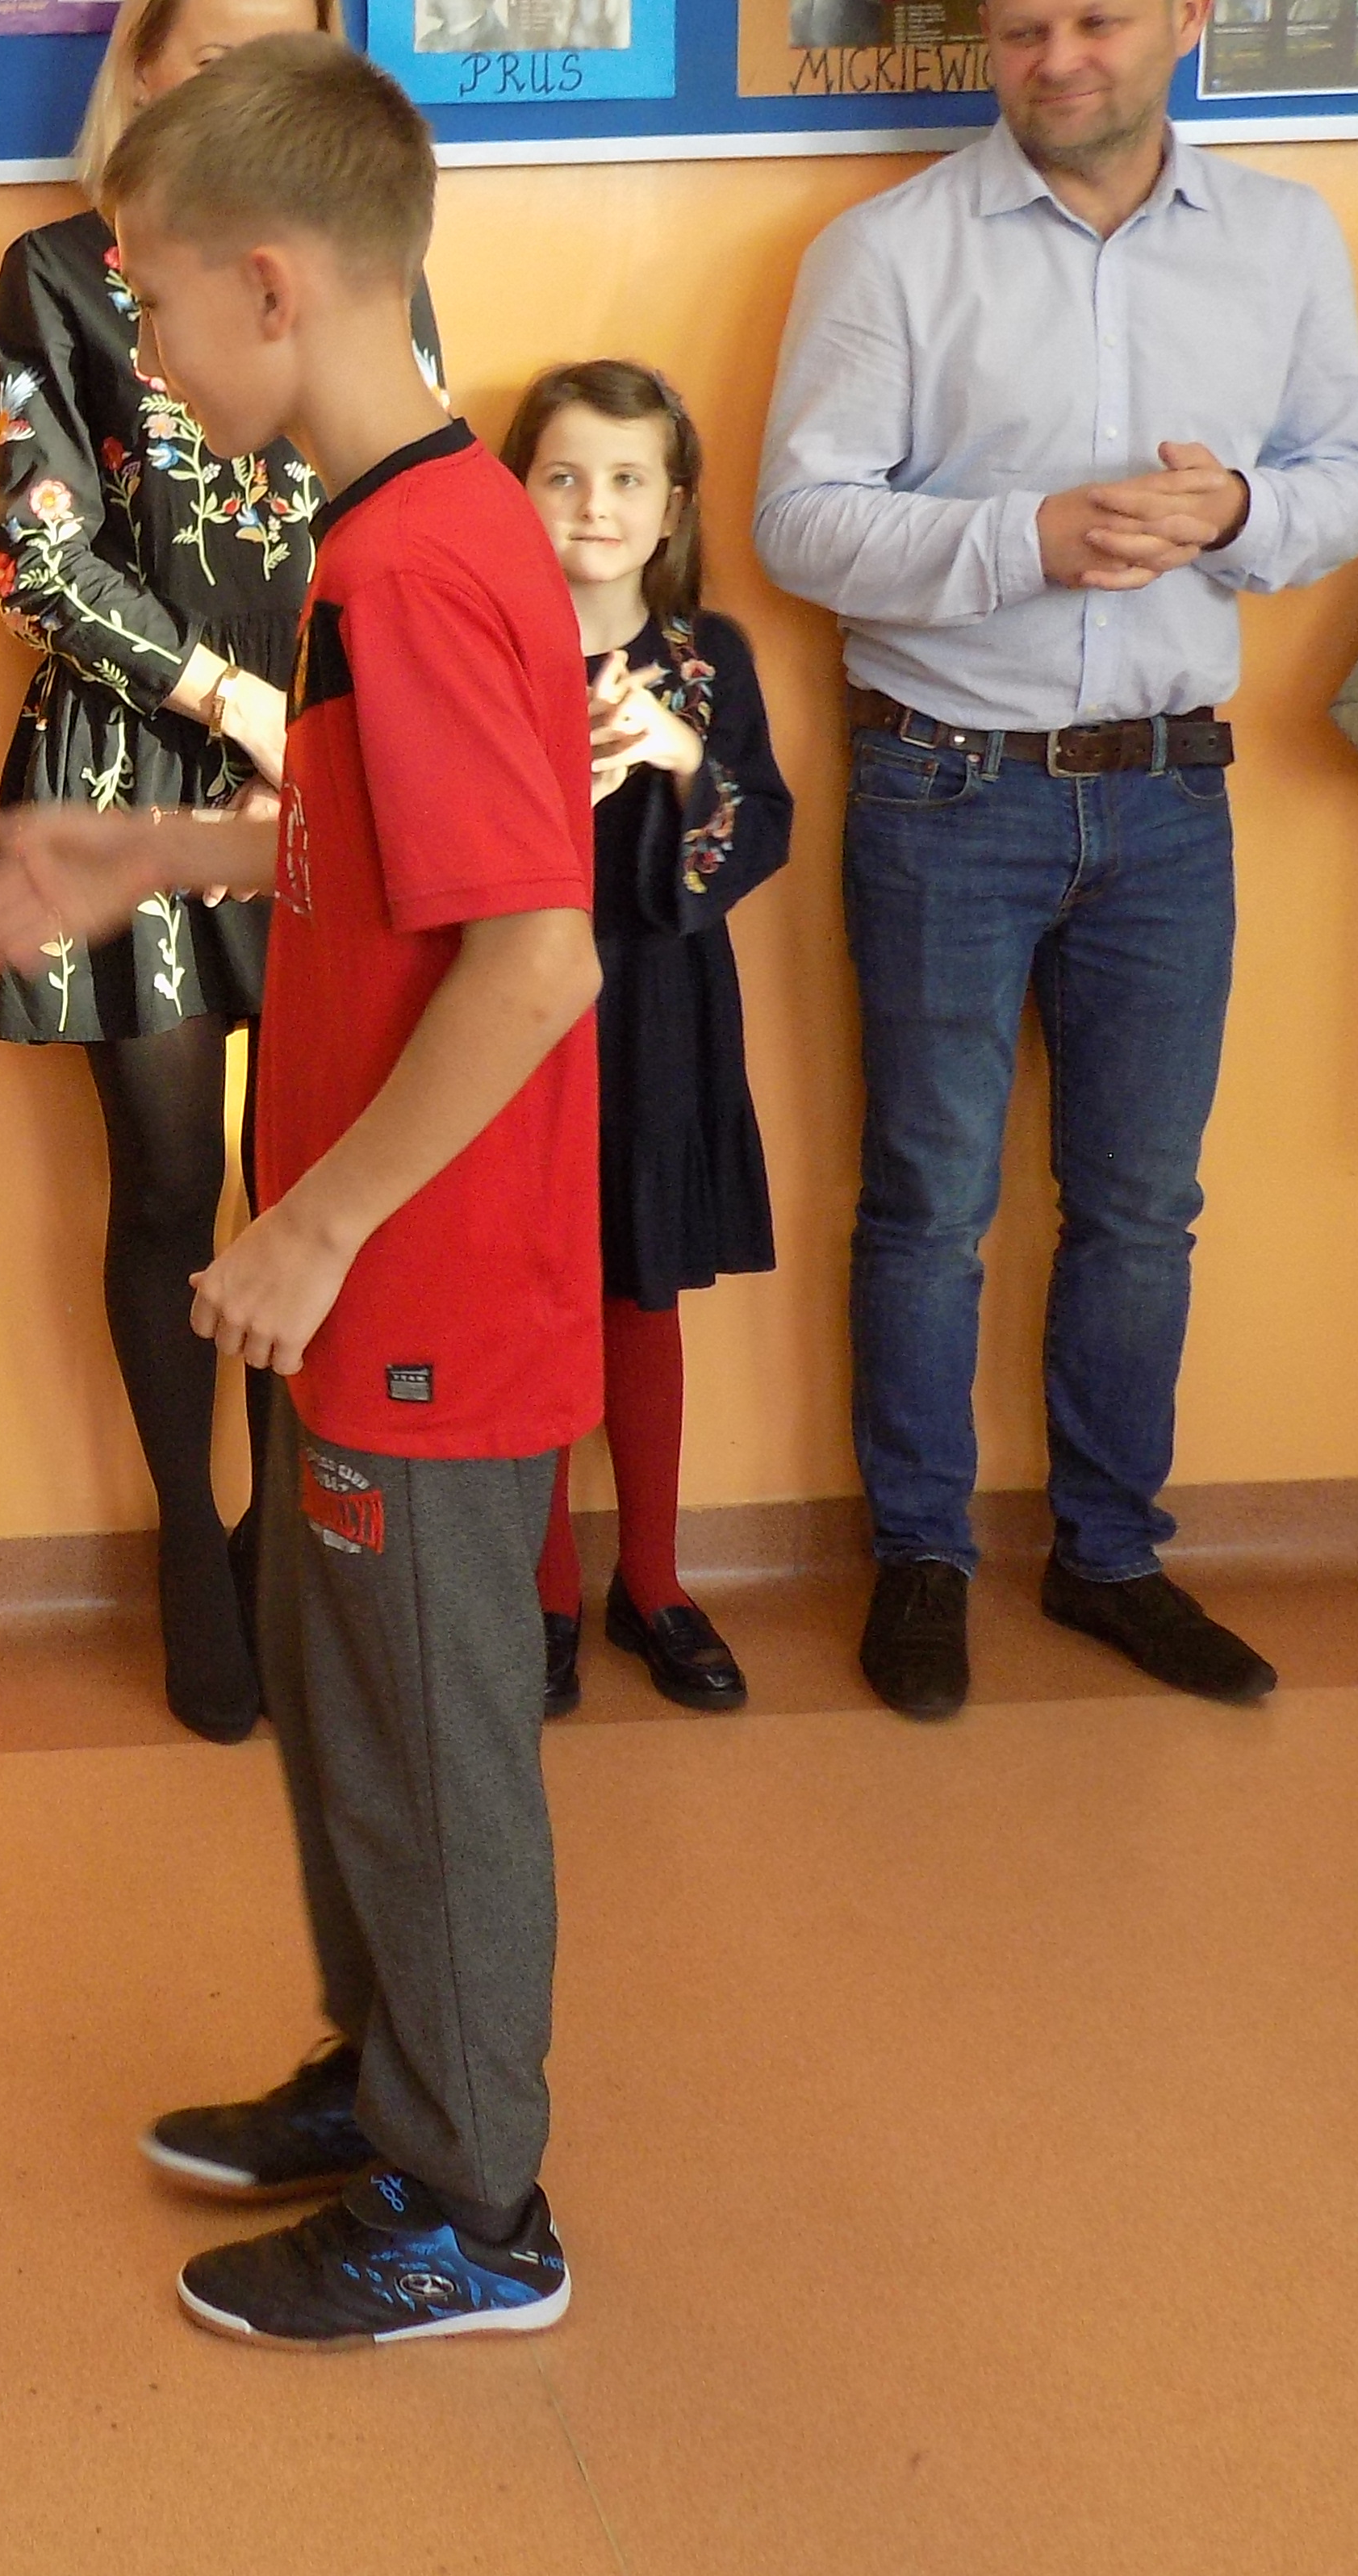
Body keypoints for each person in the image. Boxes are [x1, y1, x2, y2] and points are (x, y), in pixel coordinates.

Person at [0, 37, 600, 2349]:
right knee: (349, 1714)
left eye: (146, 306)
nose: (134, 353)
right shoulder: (390, 528)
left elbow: (534, 953)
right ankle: (391, 2074)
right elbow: (395, 849)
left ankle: (475, 2209)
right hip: (368, 1279)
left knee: (425, 1745)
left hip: (424, 1280)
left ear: (270, 286)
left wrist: (321, 1223)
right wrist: (159, 849)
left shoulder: (420, 559)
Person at [754, 0, 1358, 1721]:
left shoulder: (1281, 239)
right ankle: (920, 1560)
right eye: (1021, 30)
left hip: (1173, 801)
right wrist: (1024, 536)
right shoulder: (888, 252)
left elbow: (1350, 477)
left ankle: (1110, 1557)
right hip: (945, 790)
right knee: (926, 1199)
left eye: (1096, 21)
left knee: (1138, 1207)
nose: (1055, 61)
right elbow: (802, 522)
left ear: (1186, 13)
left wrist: (1240, 511)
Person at [0, 0, 444, 1742]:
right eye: (215, 56)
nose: (249, 92)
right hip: (137, 769)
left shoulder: (373, 262)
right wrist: (235, 704)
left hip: (333, 763)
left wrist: (337, 726)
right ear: (145, 69)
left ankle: (288, 1538)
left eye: (289, 57)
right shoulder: (55, 271)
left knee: (305, 1166)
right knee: (170, 1183)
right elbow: (37, 555)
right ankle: (190, 1534)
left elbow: (412, 487)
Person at [505, 362, 793, 1717]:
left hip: (659, 1013)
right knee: (532, 1293)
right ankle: (548, 1589)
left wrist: (680, 756)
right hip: (515, 1014)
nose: (593, 504)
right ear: (516, 490)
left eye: (627, 478)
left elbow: (761, 822)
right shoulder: (488, 645)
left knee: (641, 1291)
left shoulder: (707, 654)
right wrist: (558, 774)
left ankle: (656, 1579)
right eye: (562, 475)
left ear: (671, 504)